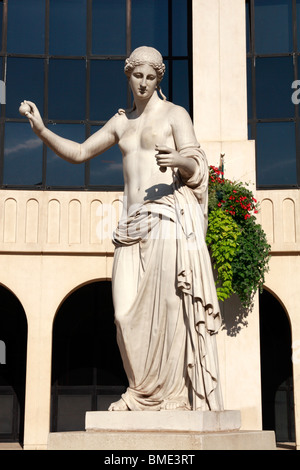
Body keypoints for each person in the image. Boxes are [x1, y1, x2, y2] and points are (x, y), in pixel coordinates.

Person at [23, 46, 223, 412]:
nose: (144, 83)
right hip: (130, 229)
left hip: (165, 219)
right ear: (128, 76)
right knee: (124, 314)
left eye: (151, 77)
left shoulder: (175, 115)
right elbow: (81, 152)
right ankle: (142, 390)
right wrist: (41, 130)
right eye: (138, 76)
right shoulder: (121, 123)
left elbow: (198, 165)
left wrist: (179, 160)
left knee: (168, 308)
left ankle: (171, 396)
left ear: (158, 78)